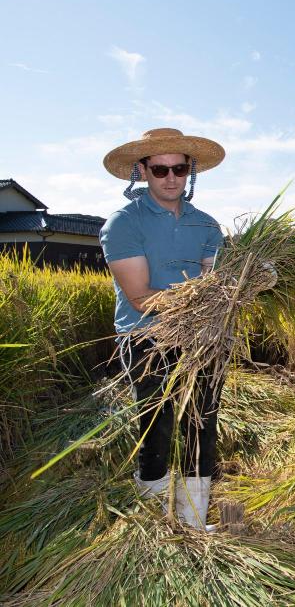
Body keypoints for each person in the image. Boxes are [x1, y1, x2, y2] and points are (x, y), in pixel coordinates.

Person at [100, 127, 228, 531]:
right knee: (157, 422)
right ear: (142, 170)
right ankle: (153, 517)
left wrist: (240, 285)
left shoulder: (206, 225)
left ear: (190, 171)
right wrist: (205, 299)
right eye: (160, 169)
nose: (170, 176)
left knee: (202, 420)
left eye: (179, 167)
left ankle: (192, 518)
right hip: (146, 336)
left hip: (201, 338)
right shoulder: (124, 223)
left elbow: (214, 278)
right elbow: (140, 297)